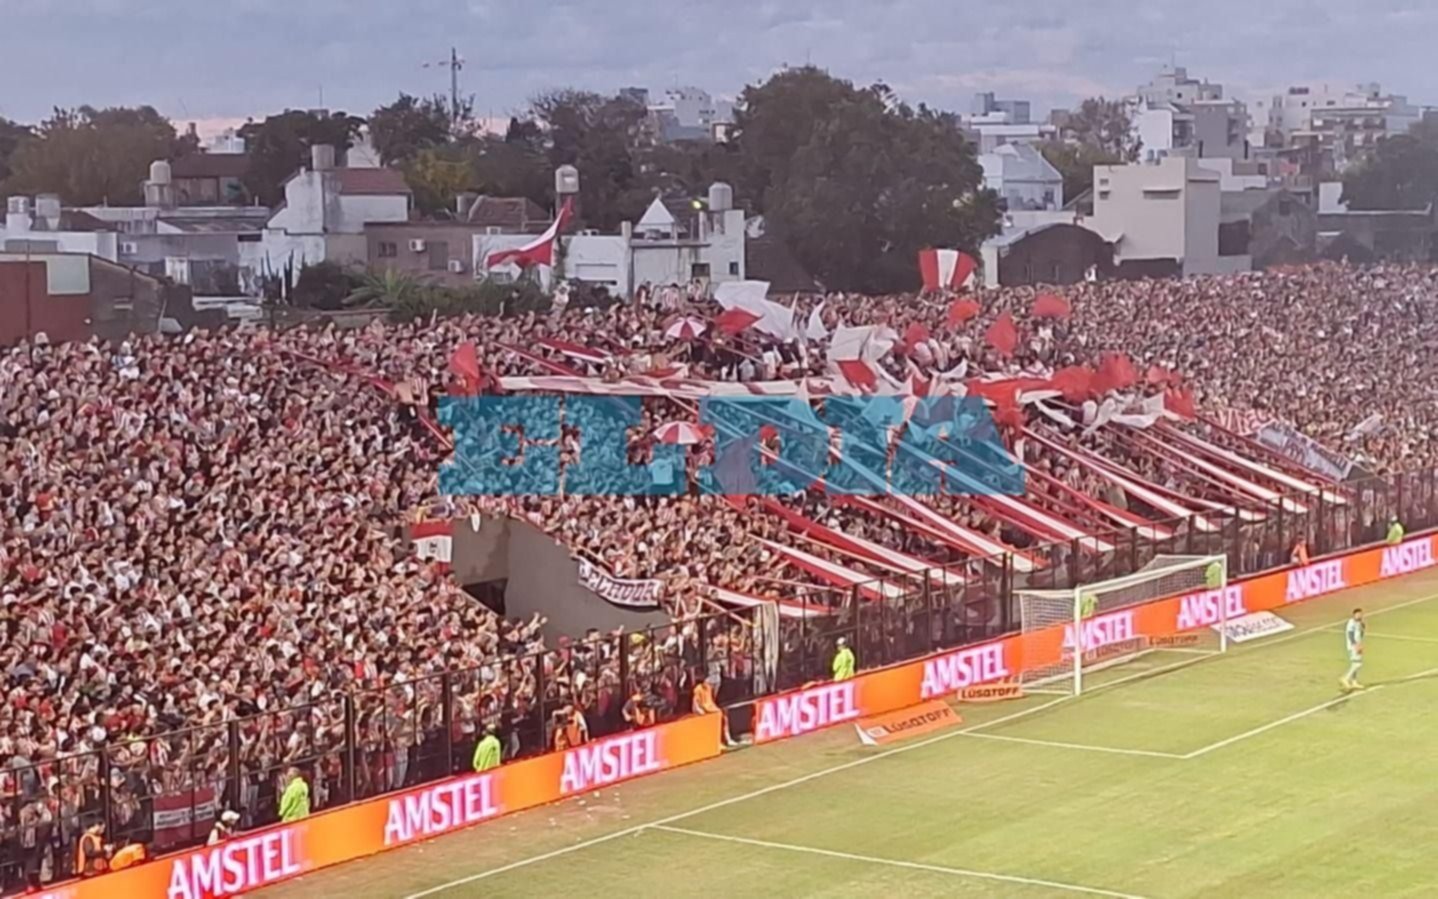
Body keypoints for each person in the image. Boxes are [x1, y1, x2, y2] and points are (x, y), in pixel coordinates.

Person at [692, 674, 735, 747]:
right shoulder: (697, 689)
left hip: (712, 709)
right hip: (705, 710)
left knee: (724, 717)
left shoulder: (709, 687)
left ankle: (728, 739)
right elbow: (696, 704)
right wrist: (700, 711)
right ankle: (716, 743)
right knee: (714, 720)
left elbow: (711, 700)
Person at [1341, 608, 1365, 692]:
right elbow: (1350, 635)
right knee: (1358, 664)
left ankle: (1354, 682)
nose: (1360, 616)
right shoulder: (1351, 623)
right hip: (1353, 646)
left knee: (1355, 664)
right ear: (1354, 615)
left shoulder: (1359, 623)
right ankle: (1345, 678)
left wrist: (1360, 644)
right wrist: (1356, 645)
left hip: (1358, 645)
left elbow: (1361, 634)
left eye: (1361, 614)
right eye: (1358, 614)